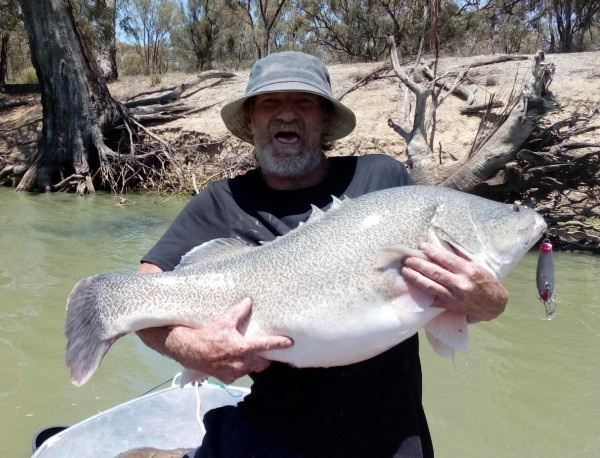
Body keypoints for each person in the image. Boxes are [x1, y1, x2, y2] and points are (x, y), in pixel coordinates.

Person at [135, 51, 508, 458]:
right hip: (266, 435)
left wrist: (489, 302)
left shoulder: (383, 179)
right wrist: (190, 348)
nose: (287, 114)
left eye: (304, 102)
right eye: (270, 103)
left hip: (389, 442)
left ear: (326, 119)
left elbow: (451, 302)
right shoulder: (221, 202)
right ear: (251, 120)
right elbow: (140, 293)